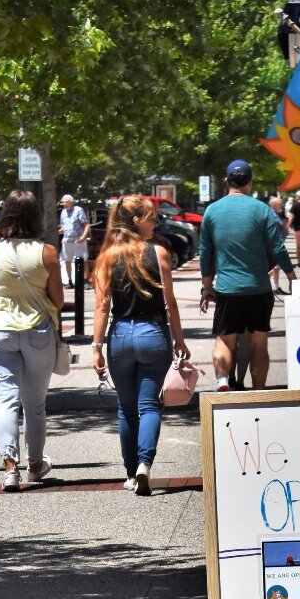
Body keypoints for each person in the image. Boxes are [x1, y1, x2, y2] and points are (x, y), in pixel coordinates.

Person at [92, 196, 190, 496]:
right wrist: (179, 339)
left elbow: (101, 306)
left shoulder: (107, 256)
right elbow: (169, 304)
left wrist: (96, 346)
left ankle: (130, 473)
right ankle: (145, 465)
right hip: (152, 333)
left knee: (126, 408)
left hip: (120, 333)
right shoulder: (159, 253)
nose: (155, 223)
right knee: (149, 406)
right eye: (151, 217)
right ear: (136, 221)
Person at [0, 190, 64, 491]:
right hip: (37, 331)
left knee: (5, 400)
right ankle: (35, 463)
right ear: (35, 216)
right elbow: (58, 299)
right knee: (35, 403)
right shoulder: (47, 253)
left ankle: (9, 468)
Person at [199, 159, 295, 392]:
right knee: (259, 343)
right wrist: (293, 278)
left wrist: (207, 286)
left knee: (225, 340)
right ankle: (259, 391)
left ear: (226, 181)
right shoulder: (262, 210)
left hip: (227, 289)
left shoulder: (212, 211)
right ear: (250, 183)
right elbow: (277, 248)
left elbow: (205, 252)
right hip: (259, 288)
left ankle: (223, 381)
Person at [59, 194, 91, 287]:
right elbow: (64, 227)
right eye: (63, 202)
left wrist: (84, 236)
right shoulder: (63, 212)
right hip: (67, 239)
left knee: (83, 259)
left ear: (71, 202)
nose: (64, 204)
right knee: (67, 260)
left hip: (78, 239)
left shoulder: (78, 210)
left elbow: (86, 224)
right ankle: (70, 281)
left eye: (66, 202)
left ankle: (85, 281)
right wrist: (59, 231)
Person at [268, 196, 290, 296]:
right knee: (274, 267)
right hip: (273, 245)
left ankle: (276, 287)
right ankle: (266, 286)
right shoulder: (271, 214)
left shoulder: (277, 214)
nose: (282, 206)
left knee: (276, 268)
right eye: (280, 204)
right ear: (274, 205)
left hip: (277, 243)